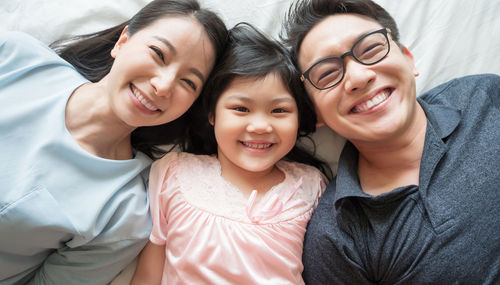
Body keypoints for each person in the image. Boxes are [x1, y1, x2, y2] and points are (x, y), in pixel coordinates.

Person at [0, 0, 228, 284]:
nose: (164, 85)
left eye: (188, 82)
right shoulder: (15, 56)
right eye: (158, 53)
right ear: (123, 41)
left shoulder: (123, 213)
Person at [281, 0, 500, 283]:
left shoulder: (484, 96)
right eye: (327, 73)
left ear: (408, 59)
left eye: (371, 49)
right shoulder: (338, 238)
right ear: (315, 113)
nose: (358, 77)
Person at [130, 23, 330, 285]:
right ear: (212, 114)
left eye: (279, 111)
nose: (260, 126)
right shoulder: (174, 173)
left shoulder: (311, 186)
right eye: (241, 109)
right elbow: (147, 276)